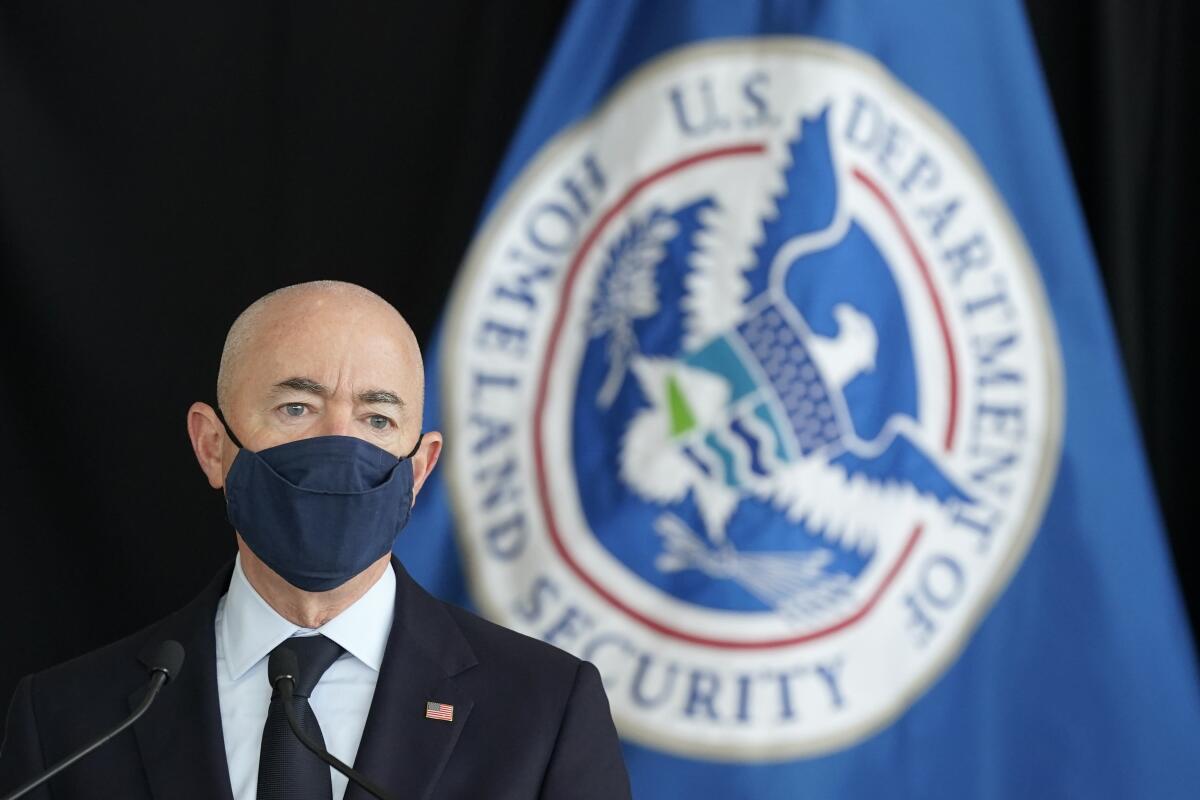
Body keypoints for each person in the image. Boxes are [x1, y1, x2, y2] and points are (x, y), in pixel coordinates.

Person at [0, 281, 631, 799]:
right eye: (297, 408)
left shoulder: (545, 711)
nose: (340, 446)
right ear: (212, 446)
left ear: (419, 467)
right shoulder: (71, 720)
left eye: (377, 419)